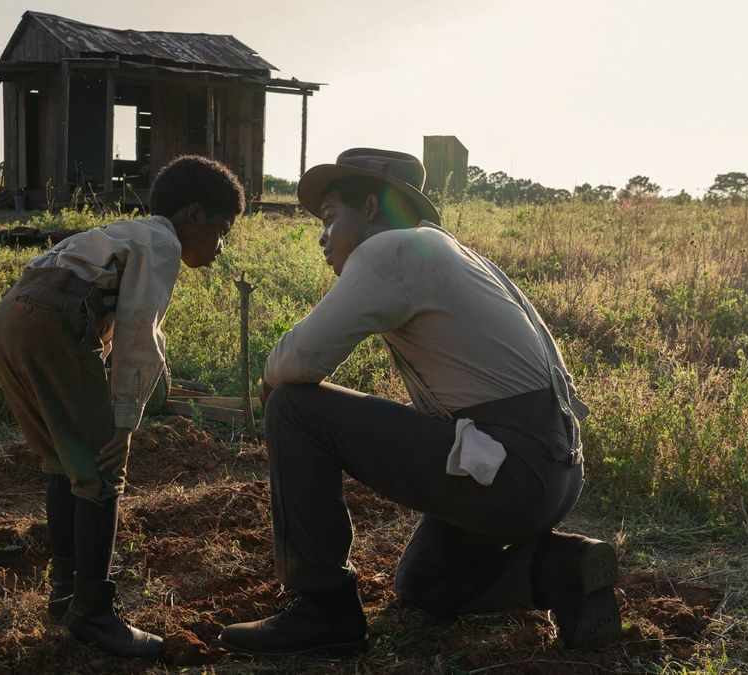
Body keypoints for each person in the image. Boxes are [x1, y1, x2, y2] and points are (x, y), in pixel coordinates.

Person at [219, 148, 620, 656]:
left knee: (294, 409)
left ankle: (322, 609)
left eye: (328, 219)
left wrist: (272, 387)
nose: (322, 238)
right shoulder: (448, 252)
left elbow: (299, 359)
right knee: (422, 586)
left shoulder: (392, 251)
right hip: (547, 471)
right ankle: (564, 570)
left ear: (369, 208)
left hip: (508, 467)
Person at [0, 155, 244, 658]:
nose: (220, 247)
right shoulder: (165, 242)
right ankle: (94, 614)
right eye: (220, 230)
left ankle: (65, 595)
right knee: (103, 470)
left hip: (12, 317)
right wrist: (125, 421)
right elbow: (137, 332)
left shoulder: (124, 232)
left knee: (65, 465)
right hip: (53, 322)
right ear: (193, 215)